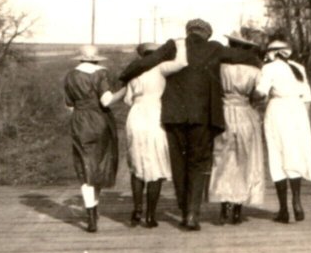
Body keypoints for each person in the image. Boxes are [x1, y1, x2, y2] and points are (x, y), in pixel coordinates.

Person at [119, 18, 260, 231]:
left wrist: (124, 75)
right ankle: (192, 216)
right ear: (207, 34)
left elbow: (146, 62)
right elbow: (244, 56)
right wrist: (263, 58)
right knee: (197, 163)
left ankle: (184, 210)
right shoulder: (214, 48)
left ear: (188, 32)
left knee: (178, 165)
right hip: (203, 117)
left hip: (174, 115)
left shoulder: (173, 45)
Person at [124, 39, 188, 228]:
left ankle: (137, 208)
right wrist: (181, 44)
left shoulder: (133, 71)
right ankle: (151, 215)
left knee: (137, 164)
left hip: (136, 115)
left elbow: (128, 100)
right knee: (156, 165)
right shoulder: (160, 68)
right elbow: (182, 63)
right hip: (154, 114)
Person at [256, 36, 311, 223]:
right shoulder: (299, 68)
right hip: (298, 112)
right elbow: (307, 98)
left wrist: (252, 96)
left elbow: (261, 92)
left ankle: (284, 209)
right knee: (295, 155)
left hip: (278, 111)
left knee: (277, 156)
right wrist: (303, 122)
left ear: (271, 53)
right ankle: (297, 201)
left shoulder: (268, 68)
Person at [64, 44, 126, 233]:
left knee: (85, 166)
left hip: (79, 122)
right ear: (97, 58)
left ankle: (91, 214)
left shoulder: (70, 75)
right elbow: (106, 100)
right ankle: (94, 211)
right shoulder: (100, 73)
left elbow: (69, 105)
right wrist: (124, 90)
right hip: (99, 120)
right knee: (98, 165)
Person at [208, 33, 265, 224]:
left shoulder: (220, 67)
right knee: (244, 161)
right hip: (245, 114)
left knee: (223, 160)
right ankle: (238, 209)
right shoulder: (254, 70)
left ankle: (224, 206)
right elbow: (260, 95)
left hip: (223, 114)